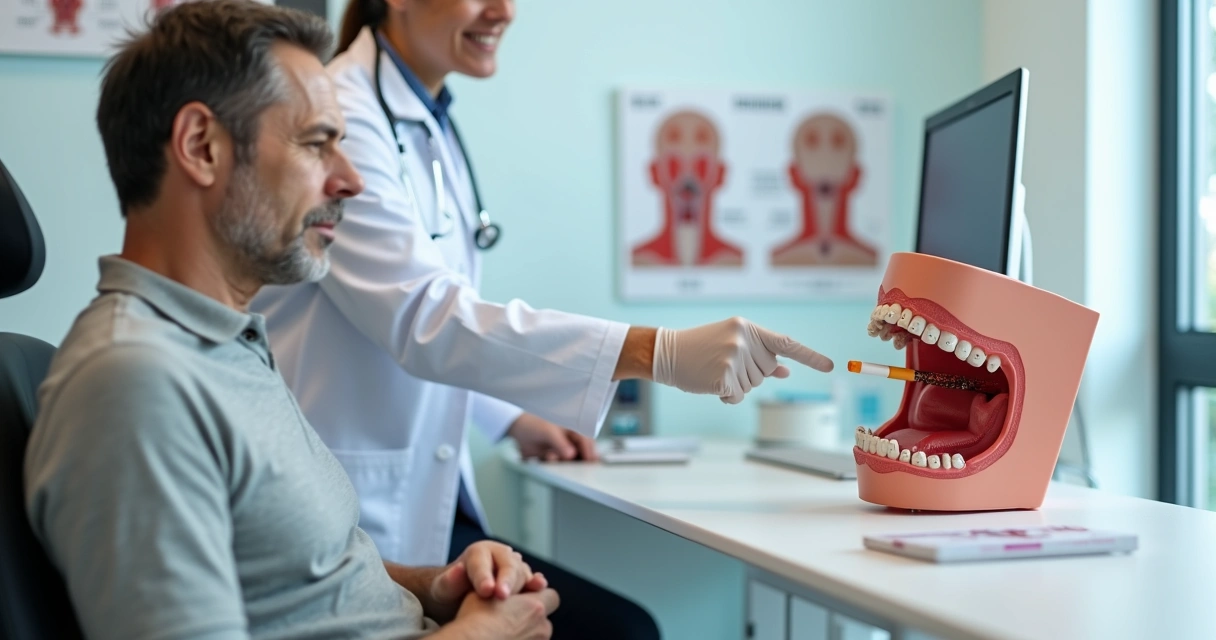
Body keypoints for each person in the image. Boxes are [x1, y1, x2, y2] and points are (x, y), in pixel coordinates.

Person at [250, 0, 835, 637]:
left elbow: (411, 316)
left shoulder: (424, 118)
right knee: (623, 631)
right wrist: (653, 350)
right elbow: (423, 317)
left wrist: (510, 417)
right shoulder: (342, 114)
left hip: (418, 494)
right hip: (364, 512)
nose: (504, 11)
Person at [23, 2, 560, 638]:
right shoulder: (135, 382)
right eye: (316, 143)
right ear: (201, 147)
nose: (352, 180)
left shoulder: (225, 342)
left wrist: (432, 588)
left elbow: (295, 576)